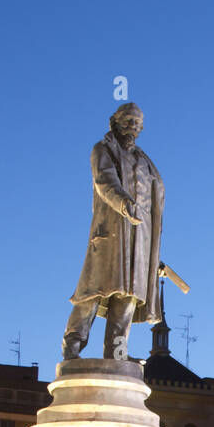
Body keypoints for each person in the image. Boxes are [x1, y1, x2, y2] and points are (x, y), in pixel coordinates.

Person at [62, 103, 165, 360]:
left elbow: (153, 207)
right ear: (115, 121)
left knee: (128, 297)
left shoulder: (146, 163)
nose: (133, 127)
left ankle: (116, 353)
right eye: (129, 121)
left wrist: (153, 256)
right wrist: (124, 203)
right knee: (93, 290)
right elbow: (104, 181)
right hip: (111, 232)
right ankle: (72, 347)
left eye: (138, 124)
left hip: (140, 239)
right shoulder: (103, 150)